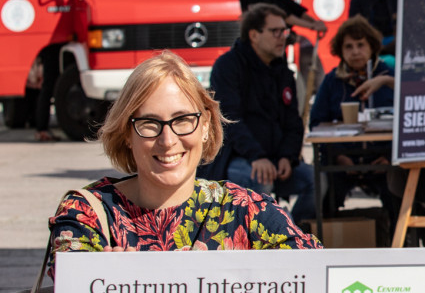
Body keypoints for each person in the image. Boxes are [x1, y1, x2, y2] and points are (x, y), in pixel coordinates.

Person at [48, 51, 319, 264]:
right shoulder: (88, 215)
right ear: (126, 134)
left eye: (182, 120)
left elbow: (315, 270)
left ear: (204, 127)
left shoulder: (243, 210)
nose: (168, 141)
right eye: (150, 123)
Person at [209, 3, 317, 226]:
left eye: (284, 31)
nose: (282, 38)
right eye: (275, 31)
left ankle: (292, 234)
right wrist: (257, 157)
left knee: (318, 179)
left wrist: (287, 156)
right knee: (260, 181)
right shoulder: (228, 66)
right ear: (254, 35)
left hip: (276, 159)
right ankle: (264, 243)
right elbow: (229, 119)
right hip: (237, 158)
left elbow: (293, 123)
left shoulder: (282, 71)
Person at [309, 17, 397, 217]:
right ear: (340, 50)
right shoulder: (332, 80)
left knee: (396, 196)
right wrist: (339, 156)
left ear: (372, 46)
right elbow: (316, 121)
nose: (355, 51)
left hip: (383, 159)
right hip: (342, 161)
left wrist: (389, 156)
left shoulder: (388, 76)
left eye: (360, 45)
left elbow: (406, 122)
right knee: (325, 200)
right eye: (349, 46)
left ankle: (397, 243)